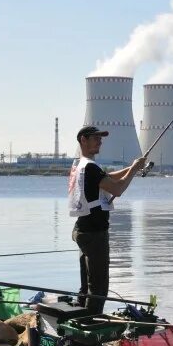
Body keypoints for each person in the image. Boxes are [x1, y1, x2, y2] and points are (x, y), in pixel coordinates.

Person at [68, 126, 147, 314]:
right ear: (83, 140)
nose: (100, 141)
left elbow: (107, 178)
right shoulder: (90, 167)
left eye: (100, 138)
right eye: (95, 138)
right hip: (94, 234)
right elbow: (117, 189)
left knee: (87, 283)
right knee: (99, 286)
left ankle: (81, 317)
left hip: (82, 230)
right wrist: (135, 169)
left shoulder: (80, 165)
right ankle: (90, 329)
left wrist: (131, 168)